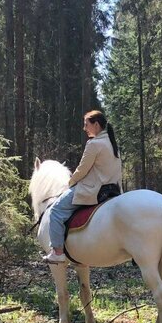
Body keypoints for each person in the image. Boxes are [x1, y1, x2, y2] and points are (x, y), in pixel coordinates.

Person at [42, 110, 123, 264]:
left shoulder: (94, 144)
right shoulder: (113, 144)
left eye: (86, 124)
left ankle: (57, 252)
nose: (84, 128)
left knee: (56, 211)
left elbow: (82, 170)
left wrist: (70, 183)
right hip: (113, 190)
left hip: (94, 191)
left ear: (96, 125)